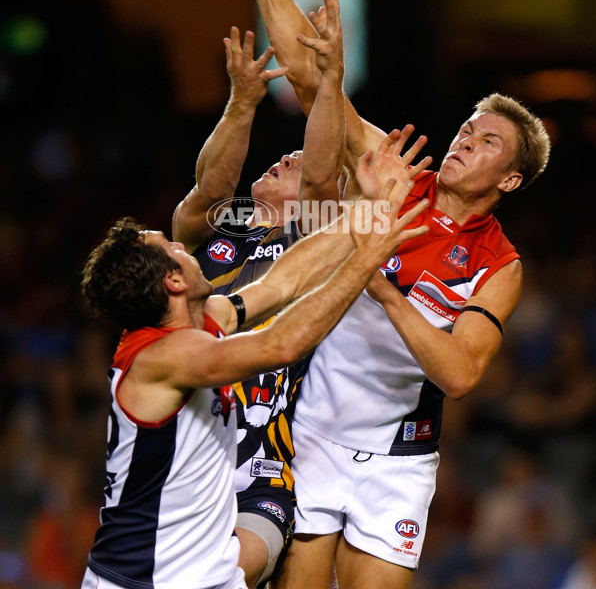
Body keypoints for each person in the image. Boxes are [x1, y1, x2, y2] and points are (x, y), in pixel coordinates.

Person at [237, 0, 552, 589]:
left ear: (510, 179)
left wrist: (378, 283)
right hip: (314, 431)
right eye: (469, 128)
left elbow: (460, 375)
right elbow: (313, 83)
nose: (467, 140)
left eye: (488, 142)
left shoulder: (501, 265)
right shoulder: (395, 176)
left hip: (399, 460)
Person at [78, 148, 430, 589]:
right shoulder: (165, 358)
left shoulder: (205, 321)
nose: (182, 244)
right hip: (138, 580)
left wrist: (371, 212)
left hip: (203, 575)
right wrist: (362, 263)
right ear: (174, 281)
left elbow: (284, 281)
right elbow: (281, 344)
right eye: (172, 248)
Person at [171, 0, 357, 587]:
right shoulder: (222, 230)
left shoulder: (314, 238)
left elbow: (323, 177)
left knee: (228, 574)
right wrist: (242, 103)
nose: (286, 157)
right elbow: (205, 194)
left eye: (297, 158)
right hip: (184, 441)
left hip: (262, 463)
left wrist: (329, 81)